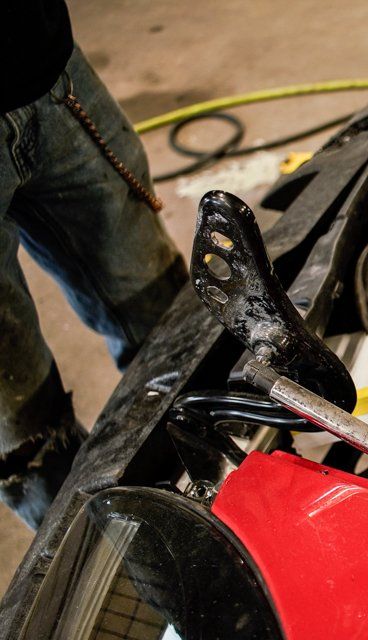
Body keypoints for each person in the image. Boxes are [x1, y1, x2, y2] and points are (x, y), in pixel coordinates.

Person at [0, 2, 186, 528]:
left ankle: (216, 500)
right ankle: (112, 556)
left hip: (42, 65)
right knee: (25, 427)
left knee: (167, 320)